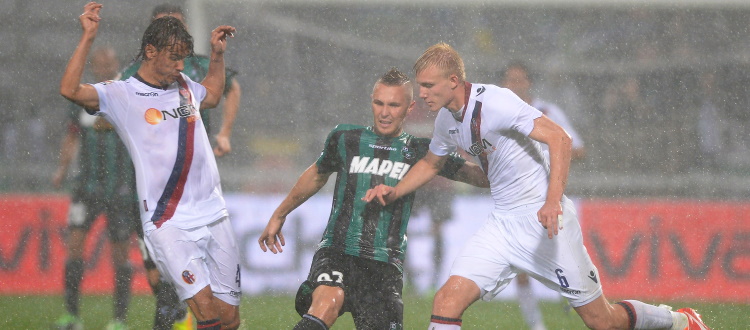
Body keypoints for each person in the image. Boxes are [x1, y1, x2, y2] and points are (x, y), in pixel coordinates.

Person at [364, 43, 710, 330]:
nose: (420, 94)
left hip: (545, 223)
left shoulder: (496, 102)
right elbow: (431, 163)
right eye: (419, 85)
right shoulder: (445, 119)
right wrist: (393, 192)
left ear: (453, 80)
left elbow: (560, 138)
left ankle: (679, 322)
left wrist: (552, 201)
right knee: (447, 301)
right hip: (502, 225)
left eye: (428, 85)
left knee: (603, 321)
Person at [258, 68, 489, 330]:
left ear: (409, 107)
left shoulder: (421, 151)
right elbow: (317, 174)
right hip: (338, 252)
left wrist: (497, 149)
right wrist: (280, 213)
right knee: (328, 301)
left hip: (384, 265)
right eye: (379, 103)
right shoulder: (346, 138)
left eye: (393, 105)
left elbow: (479, 177)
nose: (384, 112)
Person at [60, 3, 240, 330]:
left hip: (214, 214)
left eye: (184, 57)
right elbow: (70, 90)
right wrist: (88, 36)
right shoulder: (123, 94)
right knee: (204, 311)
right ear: (150, 51)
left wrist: (216, 56)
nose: (181, 65)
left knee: (228, 319)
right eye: (174, 57)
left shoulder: (184, 84)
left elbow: (213, 94)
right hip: (168, 219)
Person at [119, 4, 242, 329]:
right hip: (161, 204)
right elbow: (87, 100)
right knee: (162, 284)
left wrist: (225, 133)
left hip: (205, 198)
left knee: (227, 314)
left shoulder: (193, 67)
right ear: (151, 40)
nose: (178, 62)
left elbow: (223, 90)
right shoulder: (130, 79)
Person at [499, 60, 587, 330]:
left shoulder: (547, 111)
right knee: (521, 266)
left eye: (520, 80)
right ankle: (536, 325)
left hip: (548, 198)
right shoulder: (497, 113)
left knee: (561, 261)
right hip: (514, 199)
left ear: (529, 83)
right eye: (510, 80)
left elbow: (579, 148)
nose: (515, 85)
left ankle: (579, 298)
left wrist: (550, 154)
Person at [52, 46, 135, 330]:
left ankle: (118, 320)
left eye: (108, 64)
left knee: (121, 254)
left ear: (116, 65)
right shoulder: (81, 97)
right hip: (86, 187)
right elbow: (72, 136)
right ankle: (72, 316)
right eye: (99, 64)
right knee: (74, 246)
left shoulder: (128, 95)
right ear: (93, 66)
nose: (103, 68)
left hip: (120, 189)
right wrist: (63, 169)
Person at [119, 3, 241, 157]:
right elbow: (114, 103)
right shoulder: (134, 72)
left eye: (177, 25)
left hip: (194, 153)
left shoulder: (200, 65)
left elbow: (230, 89)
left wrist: (225, 133)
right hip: (149, 155)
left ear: (186, 28)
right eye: (164, 26)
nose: (172, 31)